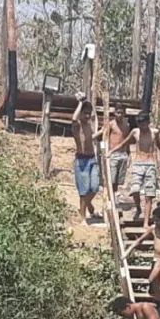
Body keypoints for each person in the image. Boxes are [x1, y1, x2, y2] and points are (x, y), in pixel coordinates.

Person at [115, 112, 160, 226]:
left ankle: (146, 222)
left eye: (144, 123)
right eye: (140, 123)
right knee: (135, 189)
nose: (142, 126)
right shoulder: (135, 132)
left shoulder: (154, 132)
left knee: (149, 195)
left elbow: (158, 145)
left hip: (150, 164)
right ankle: (138, 207)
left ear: (148, 122)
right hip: (138, 163)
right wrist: (111, 151)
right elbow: (124, 142)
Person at [71, 96, 102, 224]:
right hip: (81, 161)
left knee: (94, 187)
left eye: (89, 113)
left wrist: (101, 131)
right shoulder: (77, 126)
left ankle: (87, 206)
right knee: (83, 191)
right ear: (81, 113)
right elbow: (73, 118)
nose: (88, 116)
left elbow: (91, 138)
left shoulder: (89, 126)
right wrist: (80, 103)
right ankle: (83, 216)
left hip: (92, 159)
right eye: (85, 113)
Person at [97, 105, 131, 200]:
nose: (119, 115)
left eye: (121, 113)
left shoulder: (126, 125)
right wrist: (104, 151)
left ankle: (114, 197)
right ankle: (109, 198)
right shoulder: (111, 124)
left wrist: (129, 154)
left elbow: (126, 140)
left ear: (124, 113)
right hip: (112, 154)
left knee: (118, 180)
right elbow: (103, 138)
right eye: (118, 112)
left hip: (123, 154)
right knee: (111, 178)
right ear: (114, 113)